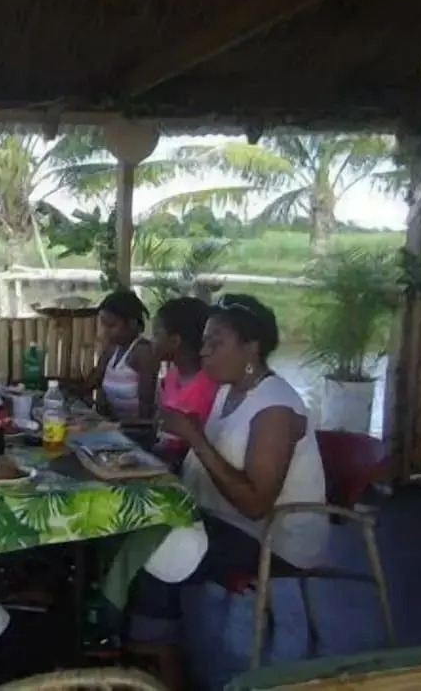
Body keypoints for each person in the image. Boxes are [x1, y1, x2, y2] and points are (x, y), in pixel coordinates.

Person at [127, 294, 328, 688]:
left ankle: (160, 666)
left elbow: (255, 504)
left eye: (215, 343)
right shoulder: (229, 390)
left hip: (273, 538)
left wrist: (194, 437)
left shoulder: (274, 408)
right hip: (223, 521)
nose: (204, 352)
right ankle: (158, 653)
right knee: (139, 531)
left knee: (157, 552)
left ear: (251, 348)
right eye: (204, 342)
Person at [152, 297, 219, 461]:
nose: (152, 341)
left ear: (175, 341)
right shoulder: (172, 373)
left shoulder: (208, 385)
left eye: (156, 334)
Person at [76, 289, 158, 420]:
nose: (105, 331)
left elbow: (146, 406)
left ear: (132, 324)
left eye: (111, 325)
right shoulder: (112, 349)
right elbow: (91, 382)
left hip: (135, 428)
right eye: (103, 324)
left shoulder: (143, 352)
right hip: (113, 424)